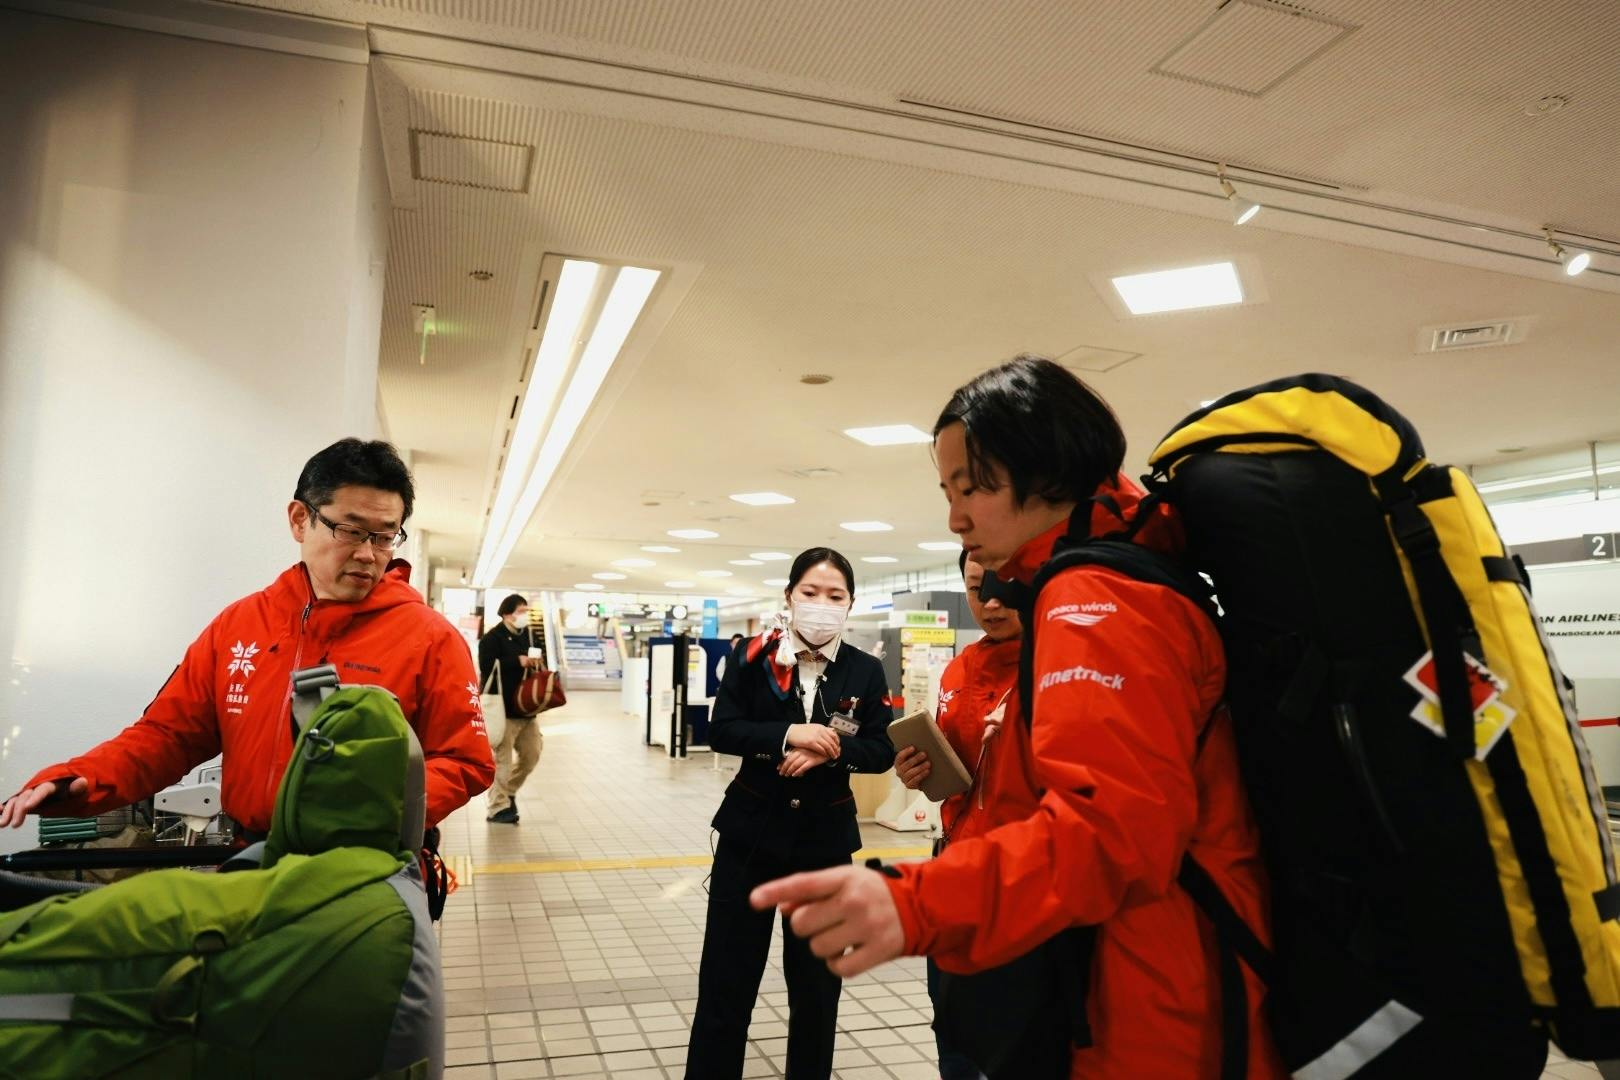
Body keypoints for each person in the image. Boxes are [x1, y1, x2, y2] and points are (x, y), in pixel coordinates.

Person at [751, 356, 1283, 1078]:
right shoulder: (1118, 575)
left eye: (974, 487)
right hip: (1135, 966)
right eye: (948, 492)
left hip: (1151, 995)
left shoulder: (1097, 600)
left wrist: (916, 904)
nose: (956, 517)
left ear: (1049, 471)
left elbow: (1112, 835)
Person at [1, 438, 496, 840]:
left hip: (365, 870)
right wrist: (83, 779)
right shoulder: (240, 625)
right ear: (300, 519)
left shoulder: (429, 638)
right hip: (249, 858)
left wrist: (375, 811)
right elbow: (169, 735)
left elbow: (465, 761)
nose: (369, 554)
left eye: (385, 536)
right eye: (351, 530)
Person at [685, 548, 896, 1080]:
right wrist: (787, 734)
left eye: (835, 596)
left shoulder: (865, 670)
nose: (822, 604)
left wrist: (830, 749)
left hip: (824, 847)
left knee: (817, 990)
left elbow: (880, 750)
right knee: (726, 985)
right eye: (810, 592)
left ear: (850, 604)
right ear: (789, 596)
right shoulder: (753, 658)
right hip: (748, 842)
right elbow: (722, 730)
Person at [894, 549, 1039, 1080]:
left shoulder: (1054, 666)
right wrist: (917, 771)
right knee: (952, 1023)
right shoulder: (957, 669)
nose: (991, 603)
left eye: (1004, 586)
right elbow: (951, 773)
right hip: (955, 872)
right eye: (977, 589)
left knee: (1022, 1035)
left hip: (1025, 884)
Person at [480, 593, 544, 825]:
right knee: (503, 762)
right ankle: (497, 807)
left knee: (531, 755)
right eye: (521, 611)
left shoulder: (528, 635)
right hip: (503, 709)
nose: (525, 616)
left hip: (527, 708)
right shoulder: (492, 638)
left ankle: (508, 791)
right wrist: (517, 661)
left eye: (527, 611)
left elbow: (538, 658)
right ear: (507, 614)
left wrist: (535, 661)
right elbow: (486, 666)